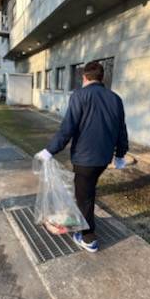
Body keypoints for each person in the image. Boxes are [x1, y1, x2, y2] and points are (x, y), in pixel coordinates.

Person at [36, 61, 128, 252]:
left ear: (84, 77)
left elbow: (68, 127)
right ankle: (84, 221)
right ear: (101, 78)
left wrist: (50, 150)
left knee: (84, 196)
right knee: (87, 192)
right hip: (103, 158)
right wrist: (120, 154)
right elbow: (121, 130)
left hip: (85, 159)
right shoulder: (115, 99)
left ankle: (88, 238)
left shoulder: (80, 95)